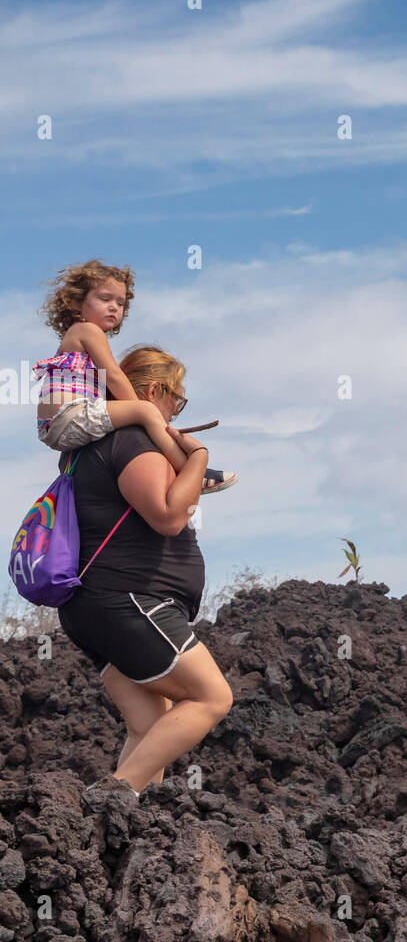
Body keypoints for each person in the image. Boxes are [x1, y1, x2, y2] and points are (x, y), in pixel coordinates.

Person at [55, 346, 233, 800]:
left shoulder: (88, 448)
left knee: (151, 724)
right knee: (212, 697)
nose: (177, 408)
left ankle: (126, 828)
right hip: (130, 601)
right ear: (156, 391)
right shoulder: (133, 441)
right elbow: (168, 517)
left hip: (96, 608)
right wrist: (197, 459)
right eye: (178, 398)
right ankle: (106, 803)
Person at [34, 258, 236, 493]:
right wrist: (143, 412)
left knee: (136, 416)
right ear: (78, 303)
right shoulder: (86, 330)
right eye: (105, 298)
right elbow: (116, 377)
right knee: (145, 411)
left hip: (58, 425)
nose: (114, 307)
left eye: (120, 303)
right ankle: (192, 473)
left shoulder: (80, 336)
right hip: (68, 416)